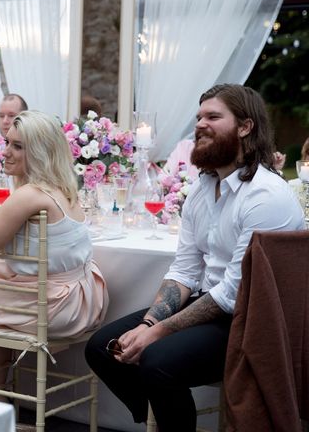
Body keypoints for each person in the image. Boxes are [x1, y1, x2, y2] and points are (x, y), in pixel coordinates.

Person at [84, 84, 305, 432]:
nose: (200, 124)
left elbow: (234, 292)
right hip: (213, 306)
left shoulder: (266, 195)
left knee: (156, 361)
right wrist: (147, 325)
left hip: (256, 320)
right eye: (199, 117)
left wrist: (156, 333)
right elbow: (185, 270)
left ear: (245, 127)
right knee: (102, 347)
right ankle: (164, 417)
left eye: (213, 117)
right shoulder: (203, 189)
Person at [0, 110, 108, 396]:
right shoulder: (62, 188)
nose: (6, 153)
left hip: (60, 308)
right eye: (7, 143)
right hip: (85, 295)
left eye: (18, 146)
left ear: (39, 152)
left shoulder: (29, 195)